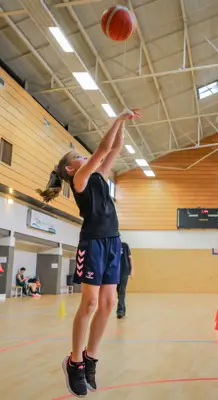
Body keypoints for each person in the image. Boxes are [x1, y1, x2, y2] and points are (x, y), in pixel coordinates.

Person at [37, 109, 140, 398]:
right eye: (78, 157)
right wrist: (117, 119)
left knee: (108, 303)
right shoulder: (80, 180)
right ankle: (74, 362)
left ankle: (91, 357)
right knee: (91, 303)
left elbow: (115, 148)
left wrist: (124, 125)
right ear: (71, 169)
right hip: (93, 243)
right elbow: (104, 148)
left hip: (113, 243)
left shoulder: (98, 177)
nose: (84, 158)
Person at [117, 242, 133, 319]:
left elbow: (130, 258)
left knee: (121, 290)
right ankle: (122, 308)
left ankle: (120, 311)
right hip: (114, 271)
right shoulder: (111, 245)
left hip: (124, 271)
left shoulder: (125, 245)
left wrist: (132, 270)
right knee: (118, 291)